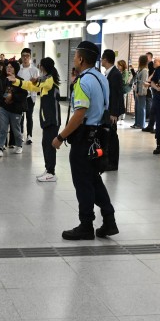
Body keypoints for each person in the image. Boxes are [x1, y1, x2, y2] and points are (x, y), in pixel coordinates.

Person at [51, 41, 118, 240]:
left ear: (80, 58)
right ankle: (109, 219)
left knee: (83, 183)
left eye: (75, 57)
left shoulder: (82, 81)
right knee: (93, 179)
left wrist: (60, 136)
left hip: (84, 139)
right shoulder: (101, 78)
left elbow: (80, 114)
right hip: (99, 137)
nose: (74, 60)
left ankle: (86, 225)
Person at [15, 56, 61, 182]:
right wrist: (17, 82)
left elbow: (40, 83)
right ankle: (49, 169)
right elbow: (31, 86)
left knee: (49, 145)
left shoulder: (49, 79)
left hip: (52, 120)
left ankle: (51, 172)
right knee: (45, 144)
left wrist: (36, 80)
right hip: (47, 120)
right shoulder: (45, 80)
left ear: (43, 67)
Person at [0, 61, 27, 158]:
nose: (8, 68)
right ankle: (0, 147)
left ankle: (19, 145)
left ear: (15, 69)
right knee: (3, 128)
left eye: (11, 67)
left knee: (16, 129)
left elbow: (24, 95)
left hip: (16, 110)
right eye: (7, 67)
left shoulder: (20, 80)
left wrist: (12, 97)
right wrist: (4, 99)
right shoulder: (3, 80)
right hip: (4, 108)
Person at [101, 49, 123, 170]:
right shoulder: (109, 73)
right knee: (109, 135)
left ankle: (113, 163)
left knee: (112, 136)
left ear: (105, 59)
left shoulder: (115, 74)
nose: (101, 61)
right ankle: (108, 160)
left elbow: (116, 95)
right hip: (108, 109)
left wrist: (114, 113)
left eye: (102, 59)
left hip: (112, 111)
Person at [18, 48, 38, 144]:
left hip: (30, 96)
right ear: (21, 57)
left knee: (29, 116)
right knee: (20, 116)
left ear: (30, 57)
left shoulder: (34, 70)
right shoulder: (18, 69)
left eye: (27, 56)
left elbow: (37, 84)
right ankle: (21, 134)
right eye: (23, 56)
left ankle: (29, 135)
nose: (25, 58)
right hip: (20, 97)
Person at [133, 54, 150, 131]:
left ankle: (141, 124)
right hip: (137, 91)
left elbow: (143, 82)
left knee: (141, 108)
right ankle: (136, 123)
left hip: (141, 92)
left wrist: (140, 92)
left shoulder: (145, 70)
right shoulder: (140, 69)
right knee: (137, 107)